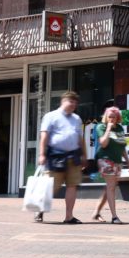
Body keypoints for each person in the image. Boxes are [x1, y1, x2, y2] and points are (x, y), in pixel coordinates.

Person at [36, 91, 86, 224]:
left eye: (75, 103)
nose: (73, 105)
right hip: (55, 156)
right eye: (71, 102)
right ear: (63, 101)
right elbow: (44, 136)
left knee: (72, 185)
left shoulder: (77, 119)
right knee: (51, 187)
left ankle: (69, 216)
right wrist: (42, 154)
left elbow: (80, 139)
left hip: (73, 156)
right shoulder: (51, 116)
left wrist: (84, 155)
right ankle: (40, 210)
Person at [91, 106, 128, 224]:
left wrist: (128, 162)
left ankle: (96, 212)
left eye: (114, 117)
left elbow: (122, 146)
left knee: (109, 188)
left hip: (117, 161)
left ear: (118, 118)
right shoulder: (101, 127)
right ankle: (114, 217)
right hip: (105, 160)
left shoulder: (120, 128)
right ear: (106, 117)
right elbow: (103, 143)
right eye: (110, 116)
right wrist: (108, 129)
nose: (112, 119)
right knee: (111, 187)